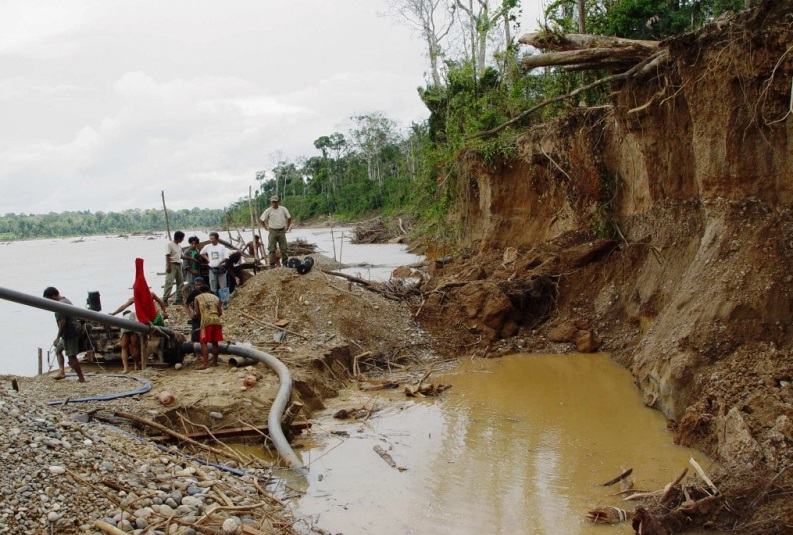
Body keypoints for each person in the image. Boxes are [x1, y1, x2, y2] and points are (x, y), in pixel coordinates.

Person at [110, 291, 169, 371]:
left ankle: (127, 367)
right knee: (135, 345)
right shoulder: (150, 294)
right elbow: (160, 302)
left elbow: (124, 306)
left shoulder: (137, 297)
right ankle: (136, 365)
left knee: (126, 346)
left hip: (135, 321)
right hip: (143, 321)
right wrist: (165, 312)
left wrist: (113, 314)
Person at [43, 287, 87, 382]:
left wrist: (58, 337)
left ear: (53, 296)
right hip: (70, 331)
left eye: (49, 299)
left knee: (72, 357)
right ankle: (62, 372)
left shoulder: (59, 305)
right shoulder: (66, 300)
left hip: (69, 333)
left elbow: (62, 322)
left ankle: (81, 378)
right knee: (58, 350)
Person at [193, 285, 223, 370]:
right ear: (209, 290)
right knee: (215, 342)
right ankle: (215, 362)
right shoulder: (216, 298)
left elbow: (198, 312)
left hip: (206, 321)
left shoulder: (198, 298)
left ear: (200, 291)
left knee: (203, 342)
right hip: (216, 320)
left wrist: (200, 319)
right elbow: (220, 312)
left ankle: (205, 364)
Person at [259, 195, 292, 268]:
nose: (274, 203)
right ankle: (272, 264)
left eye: (275, 202)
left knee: (284, 248)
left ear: (278, 202)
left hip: (281, 231)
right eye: (272, 202)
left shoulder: (283, 209)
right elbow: (261, 219)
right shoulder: (268, 210)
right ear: (271, 202)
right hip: (272, 231)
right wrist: (265, 227)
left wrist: (287, 227)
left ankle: (285, 263)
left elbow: (289, 218)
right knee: (271, 248)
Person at [184, 276, 208, 359]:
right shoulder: (194, 293)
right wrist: (190, 314)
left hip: (206, 316)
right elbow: (186, 303)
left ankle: (205, 351)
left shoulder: (207, 292)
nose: (198, 286)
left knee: (205, 334)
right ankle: (196, 353)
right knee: (195, 334)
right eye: (196, 285)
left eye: (199, 285)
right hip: (196, 317)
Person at [162, 231, 185, 305]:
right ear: (179, 238)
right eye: (182, 238)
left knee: (180, 282)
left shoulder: (179, 246)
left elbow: (181, 256)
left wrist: (190, 258)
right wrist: (168, 266)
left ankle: (178, 299)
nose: (182, 240)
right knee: (169, 282)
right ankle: (165, 299)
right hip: (172, 264)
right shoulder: (170, 244)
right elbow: (167, 255)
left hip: (178, 264)